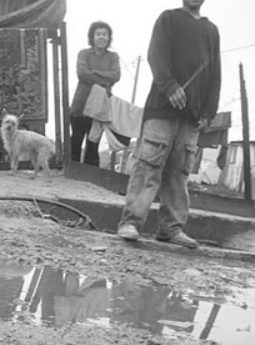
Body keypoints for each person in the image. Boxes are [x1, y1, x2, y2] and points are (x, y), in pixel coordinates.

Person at [117, 0, 221, 248]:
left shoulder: (211, 30)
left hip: (192, 116)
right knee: (148, 168)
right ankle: (130, 222)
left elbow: (216, 72)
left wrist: (208, 112)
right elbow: (157, 55)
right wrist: (170, 86)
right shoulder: (168, 19)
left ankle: (171, 228)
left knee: (179, 173)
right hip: (161, 110)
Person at [69, 21, 121, 166]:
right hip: (81, 104)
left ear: (109, 37)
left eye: (104, 34)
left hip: (101, 107)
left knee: (94, 142)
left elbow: (116, 76)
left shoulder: (113, 57)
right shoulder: (84, 54)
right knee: (76, 139)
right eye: (98, 34)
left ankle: (91, 180)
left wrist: (94, 72)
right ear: (92, 37)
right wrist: (104, 80)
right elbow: (82, 74)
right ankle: (72, 175)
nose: (101, 37)